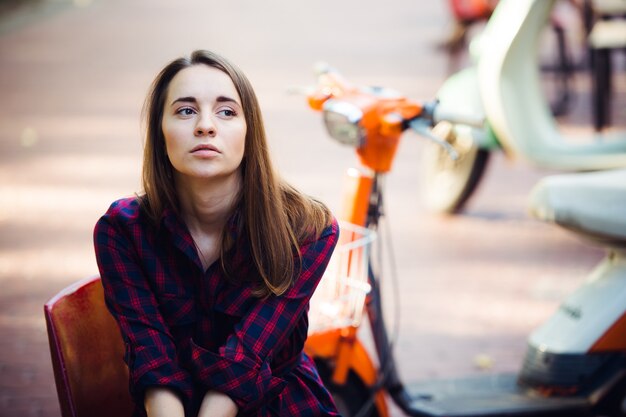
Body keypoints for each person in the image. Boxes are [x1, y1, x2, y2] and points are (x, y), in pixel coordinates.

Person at [94, 50, 340, 417]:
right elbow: (152, 356)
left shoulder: (306, 229)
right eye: (185, 110)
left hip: (280, 404)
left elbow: (247, 356)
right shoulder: (122, 232)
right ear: (160, 133)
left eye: (226, 111)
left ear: (248, 132)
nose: (205, 126)